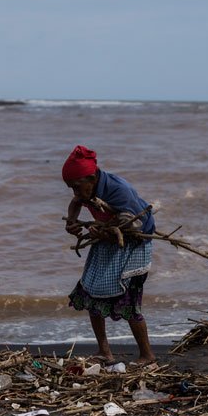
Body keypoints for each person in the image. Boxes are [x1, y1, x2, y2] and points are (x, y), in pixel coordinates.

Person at [61, 145, 157, 365]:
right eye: (71, 188)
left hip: (134, 242)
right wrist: (72, 221)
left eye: (77, 186)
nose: (75, 192)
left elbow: (133, 226)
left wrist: (107, 234)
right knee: (90, 292)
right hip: (106, 237)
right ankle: (104, 352)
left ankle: (147, 355)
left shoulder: (119, 190)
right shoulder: (85, 190)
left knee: (129, 300)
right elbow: (77, 202)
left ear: (92, 177)